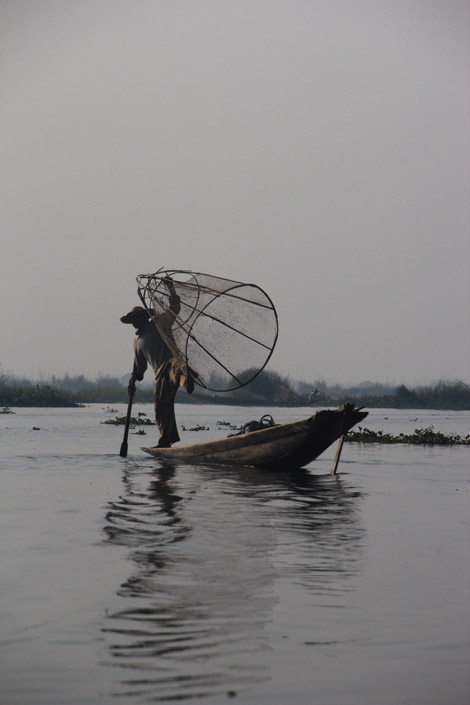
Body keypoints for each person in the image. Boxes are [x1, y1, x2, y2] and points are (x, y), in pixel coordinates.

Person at [120, 278, 194, 447]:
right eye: (132, 320)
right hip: (160, 375)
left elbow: (174, 308)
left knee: (180, 370)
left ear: (144, 318)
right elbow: (140, 367)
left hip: (173, 363)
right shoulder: (137, 341)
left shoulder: (160, 323)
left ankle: (187, 380)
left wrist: (171, 288)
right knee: (161, 408)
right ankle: (165, 441)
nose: (135, 322)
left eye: (137, 318)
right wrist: (133, 379)